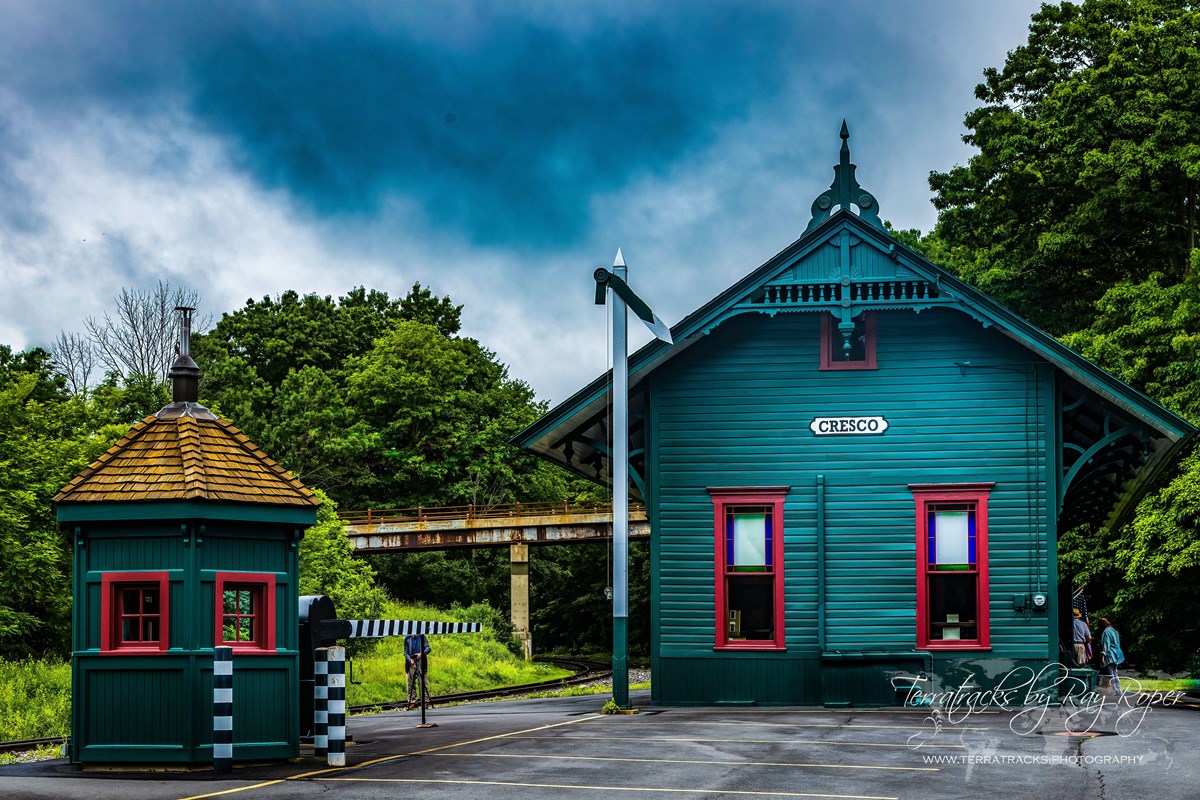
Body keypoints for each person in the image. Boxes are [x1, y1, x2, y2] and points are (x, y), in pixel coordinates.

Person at [1096, 617, 1124, 694]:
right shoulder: (1114, 630)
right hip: (1116, 654)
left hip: (1110, 655)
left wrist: (1103, 655)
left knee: (1110, 673)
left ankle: (1114, 690)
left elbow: (1106, 644)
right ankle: (1118, 690)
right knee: (1115, 672)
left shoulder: (1106, 632)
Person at [404, 632, 432, 709]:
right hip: (411, 663)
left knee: (422, 682)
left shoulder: (422, 637)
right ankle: (412, 701)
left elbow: (428, 648)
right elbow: (405, 652)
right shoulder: (407, 638)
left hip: (421, 662)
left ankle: (425, 701)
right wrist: (410, 660)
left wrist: (421, 654)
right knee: (410, 683)